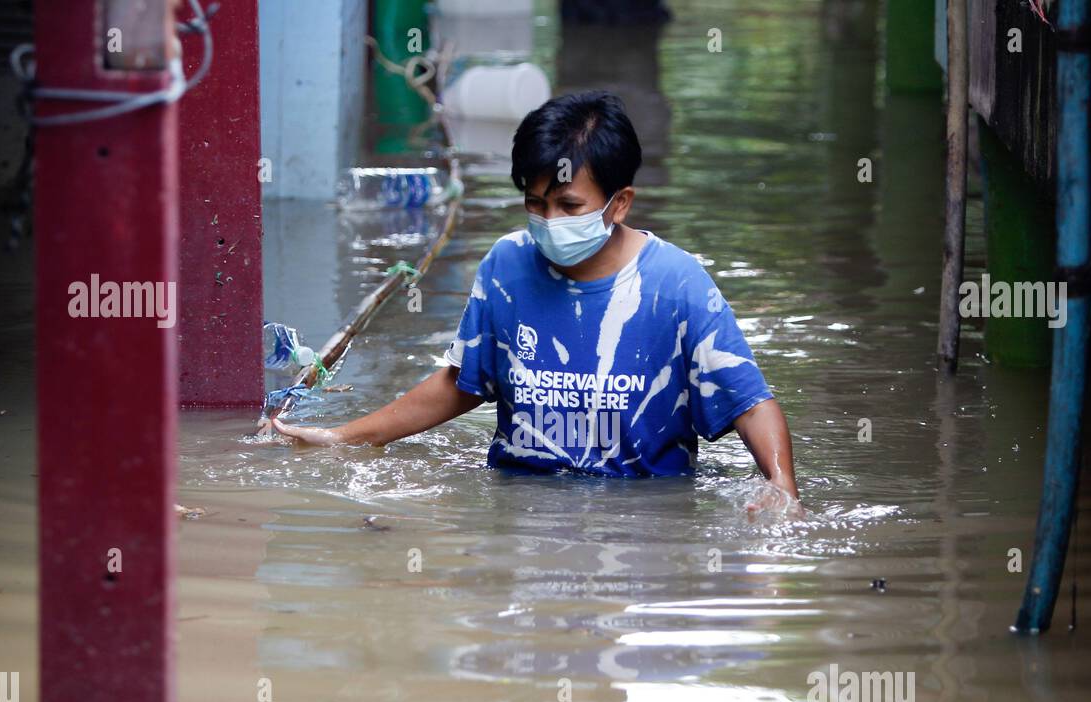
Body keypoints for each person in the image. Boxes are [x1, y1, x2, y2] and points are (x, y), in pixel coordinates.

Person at [273, 90, 800, 514]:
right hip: (518, 501)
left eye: (570, 205)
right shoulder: (506, 267)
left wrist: (781, 487)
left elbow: (748, 401)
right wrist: (342, 438)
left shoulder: (677, 283)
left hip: (644, 513)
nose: (549, 220)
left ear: (619, 203)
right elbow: (462, 382)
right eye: (535, 203)